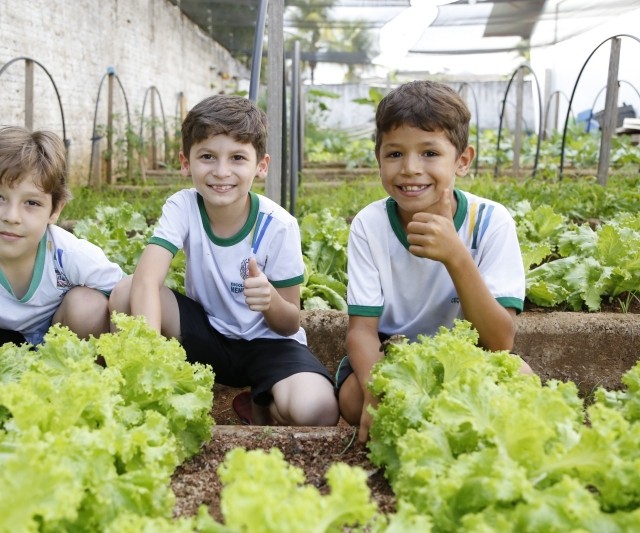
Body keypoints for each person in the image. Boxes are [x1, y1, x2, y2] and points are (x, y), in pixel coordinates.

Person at [109, 94, 339, 426]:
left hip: (268, 344)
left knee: (318, 410)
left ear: (261, 165)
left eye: (237, 158)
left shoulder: (279, 225)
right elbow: (147, 279)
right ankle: (144, 395)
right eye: (207, 156)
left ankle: (263, 404)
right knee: (126, 292)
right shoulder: (184, 206)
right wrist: (147, 359)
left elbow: (290, 323)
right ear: (185, 162)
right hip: (207, 333)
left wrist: (270, 300)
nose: (221, 172)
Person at [335, 80, 532, 442]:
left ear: (462, 161)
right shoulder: (370, 224)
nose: (410, 168)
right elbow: (361, 331)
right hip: (392, 359)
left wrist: (456, 256)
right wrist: (379, 388)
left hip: (467, 360)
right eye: (395, 154)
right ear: (378, 157)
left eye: (429, 153)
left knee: (521, 379)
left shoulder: (491, 220)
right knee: (351, 401)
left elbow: (500, 340)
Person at [0, 126, 124, 357]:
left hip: (62, 339)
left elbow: (126, 297)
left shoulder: (69, 253)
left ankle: (84, 383)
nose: (11, 217)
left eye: (32, 203)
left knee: (89, 305)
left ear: (54, 211)